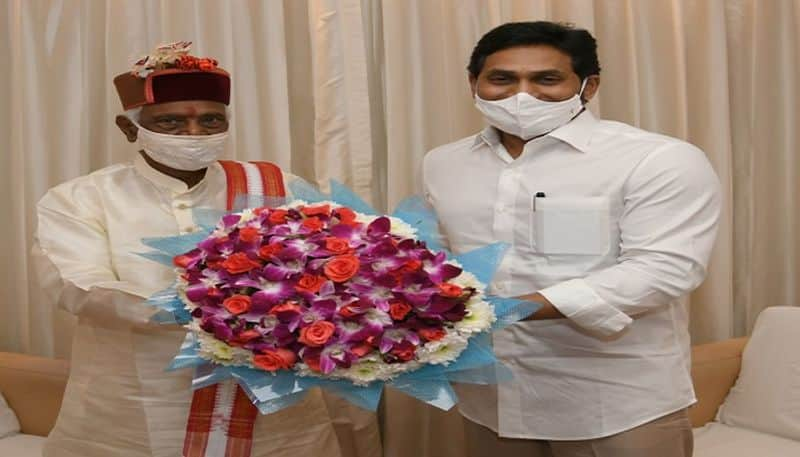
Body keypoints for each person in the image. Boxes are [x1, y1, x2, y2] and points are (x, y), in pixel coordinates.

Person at [33, 41, 380, 457]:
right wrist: (210, 307)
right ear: (130, 129)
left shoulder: (275, 186)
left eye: (211, 121)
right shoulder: (82, 198)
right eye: (172, 123)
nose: (195, 134)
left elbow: (333, 257)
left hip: (271, 403)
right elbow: (79, 285)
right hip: (135, 403)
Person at [423, 21, 721, 457]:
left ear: (588, 85)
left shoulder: (658, 159)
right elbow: (438, 258)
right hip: (492, 398)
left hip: (615, 402)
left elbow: (664, 270)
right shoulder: (443, 163)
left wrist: (515, 309)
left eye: (546, 79)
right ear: (474, 82)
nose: (521, 94)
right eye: (502, 79)